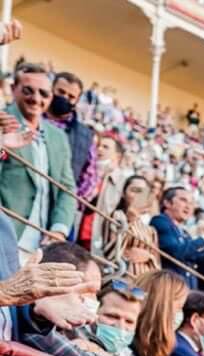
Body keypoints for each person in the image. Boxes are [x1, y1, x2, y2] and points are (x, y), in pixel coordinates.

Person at [1, 63, 78, 252]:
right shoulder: (2, 121)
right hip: (4, 237)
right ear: (13, 89)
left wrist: (59, 230)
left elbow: (67, 188)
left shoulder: (58, 137)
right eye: (28, 91)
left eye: (43, 94)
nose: (36, 99)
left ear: (51, 97)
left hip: (40, 245)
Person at [150, 186, 204, 288]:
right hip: (170, 290)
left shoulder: (185, 233)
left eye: (191, 203)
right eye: (183, 200)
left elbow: (201, 268)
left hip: (187, 293)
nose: (188, 206)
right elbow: (176, 253)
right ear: (167, 203)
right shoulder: (160, 221)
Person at [45, 71, 96, 201]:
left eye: (71, 96)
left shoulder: (86, 136)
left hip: (57, 206)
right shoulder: (31, 115)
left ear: (77, 101)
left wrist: (67, 201)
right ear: (51, 89)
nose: (65, 98)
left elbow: (89, 177)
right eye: (61, 92)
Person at [104, 174, 159, 280]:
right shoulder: (117, 216)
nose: (139, 196)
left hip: (145, 283)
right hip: (122, 279)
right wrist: (129, 221)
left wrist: (148, 256)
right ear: (123, 194)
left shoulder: (150, 229)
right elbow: (110, 254)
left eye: (143, 192)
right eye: (135, 190)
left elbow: (157, 265)